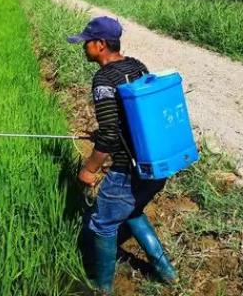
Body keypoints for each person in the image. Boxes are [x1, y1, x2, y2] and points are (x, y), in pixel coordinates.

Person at [67, 16, 177, 295]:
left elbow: (110, 135)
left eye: (86, 43)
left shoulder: (103, 79)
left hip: (126, 171)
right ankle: (167, 273)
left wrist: (89, 169)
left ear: (100, 45)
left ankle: (102, 288)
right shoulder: (136, 66)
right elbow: (136, 117)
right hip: (155, 165)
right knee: (133, 211)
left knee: (103, 224)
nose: (83, 47)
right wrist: (104, 131)